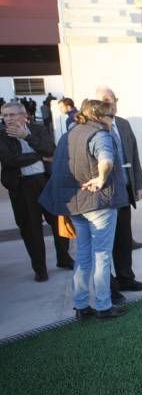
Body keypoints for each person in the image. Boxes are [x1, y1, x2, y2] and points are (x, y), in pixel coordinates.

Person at [39, 99, 128, 319]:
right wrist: (101, 178)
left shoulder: (68, 134)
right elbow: (106, 159)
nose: (111, 120)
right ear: (99, 116)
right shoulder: (100, 135)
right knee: (102, 256)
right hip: (98, 203)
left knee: (83, 255)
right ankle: (104, 306)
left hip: (76, 205)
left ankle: (80, 305)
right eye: (110, 116)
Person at [0, 101, 72, 281]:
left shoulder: (38, 130)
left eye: (12, 114)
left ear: (24, 115)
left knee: (60, 221)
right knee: (31, 229)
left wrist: (26, 137)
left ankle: (64, 258)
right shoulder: (2, 136)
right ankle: (40, 268)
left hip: (46, 182)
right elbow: (10, 161)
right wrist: (39, 156)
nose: (7, 118)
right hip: (21, 186)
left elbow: (51, 150)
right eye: (4, 115)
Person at [95, 87, 142, 303]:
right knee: (105, 243)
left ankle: (126, 278)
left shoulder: (123, 124)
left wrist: (138, 184)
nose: (111, 103)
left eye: (113, 99)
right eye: (105, 100)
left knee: (124, 239)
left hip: (125, 190)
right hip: (105, 193)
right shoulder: (93, 126)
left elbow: (133, 154)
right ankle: (109, 288)